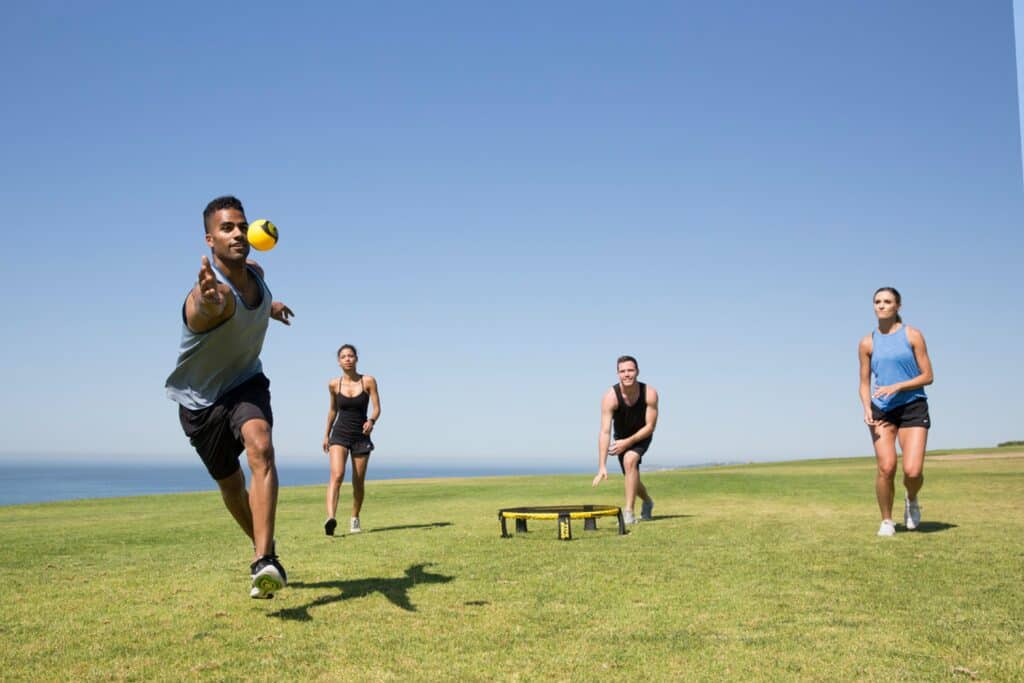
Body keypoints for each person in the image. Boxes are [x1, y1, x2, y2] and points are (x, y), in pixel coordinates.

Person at [165, 195, 294, 598]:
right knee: (231, 486)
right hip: (200, 405)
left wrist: (270, 306)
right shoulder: (208, 297)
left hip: (245, 384)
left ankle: (262, 562)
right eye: (227, 228)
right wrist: (207, 299)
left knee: (262, 447)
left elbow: (252, 297)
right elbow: (205, 308)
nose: (238, 233)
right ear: (209, 239)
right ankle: (267, 550)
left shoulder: (256, 271)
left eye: (241, 225)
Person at [858, 286, 934, 537]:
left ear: (897, 306)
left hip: (912, 406)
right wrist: (867, 406)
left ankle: (911, 499)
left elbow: (928, 376)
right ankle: (887, 521)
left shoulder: (912, 336)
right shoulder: (867, 342)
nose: (881, 305)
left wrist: (898, 385)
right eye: (877, 301)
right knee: (886, 467)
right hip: (882, 410)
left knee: (912, 471)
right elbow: (864, 382)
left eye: (887, 301)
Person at [322, 344, 381, 535]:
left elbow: (377, 408)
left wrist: (371, 420)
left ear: (356, 359)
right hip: (339, 434)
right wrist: (326, 434)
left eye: (351, 356)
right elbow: (332, 410)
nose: (347, 359)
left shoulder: (368, 381)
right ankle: (331, 517)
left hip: (360, 436)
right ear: (339, 362)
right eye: (343, 357)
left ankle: (355, 517)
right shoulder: (334, 384)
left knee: (358, 482)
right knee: (337, 475)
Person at [592, 355, 658, 524]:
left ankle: (629, 514)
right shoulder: (610, 397)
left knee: (630, 461)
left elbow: (650, 426)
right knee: (631, 474)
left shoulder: (649, 393)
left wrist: (628, 443)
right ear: (617, 374)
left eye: (630, 370)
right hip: (621, 439)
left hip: (642, 435)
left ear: (637, 372)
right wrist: (602, 466)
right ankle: (648, 501)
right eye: (622, 371)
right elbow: (605, 431)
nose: (627, 374)